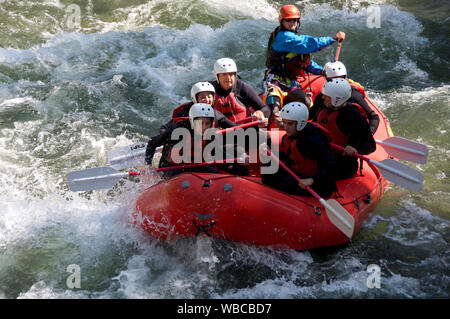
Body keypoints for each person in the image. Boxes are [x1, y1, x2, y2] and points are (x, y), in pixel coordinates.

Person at [263, 4, 346, 112]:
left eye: (295, 20)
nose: (292, 23)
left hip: (290, 82)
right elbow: (311, 44)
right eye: (289, 20)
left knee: (309, 105)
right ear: (282, 21)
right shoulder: (283, 37)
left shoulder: (294, 39)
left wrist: (321, 71)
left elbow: (305, 63)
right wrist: (333, 38)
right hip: (274, 80)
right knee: (274, 109)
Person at [261, 102, 337, 198]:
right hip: (300, 175)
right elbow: (290, 156)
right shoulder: (291, 136)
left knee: (286, 185)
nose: (285, 127)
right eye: (284, 122)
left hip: (319, 183)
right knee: (268, 171)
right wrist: (272, 153)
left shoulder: (313, 140)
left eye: (290, 124)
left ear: (300, 123)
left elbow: (331, 166)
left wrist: (312, 180)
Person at [315, 78, 376, 180]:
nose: (323, 97)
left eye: (326, 96)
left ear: (336, 98)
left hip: (343, 163)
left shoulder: (353, 116)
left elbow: (370, 145)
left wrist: (356, 149)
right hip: (323, 156)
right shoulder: (324, 108)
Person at [309, 61, 380, 134]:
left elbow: (374, 117)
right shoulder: (322, 96)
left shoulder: (354, 96)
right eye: (333, 79)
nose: (337, 82)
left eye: (340, 78)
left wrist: (369, 135)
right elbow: (311, 113)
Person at [158, 81, 236, 136]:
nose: (207, 100)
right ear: (195, 98)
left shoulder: (215, 114)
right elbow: (163, 129)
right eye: (202, 97)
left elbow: (234, 127)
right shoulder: (185, 113)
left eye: (209, 96)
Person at [211, 58, 271, 125]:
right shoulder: (209, 90)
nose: (228, 78)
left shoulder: (242, 88)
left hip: (244, 131)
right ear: (217, 76)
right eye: (224, 74)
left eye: (231, 74)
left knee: (266, 135)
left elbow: (265, 108)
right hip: (220, 133)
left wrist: (261, 113)